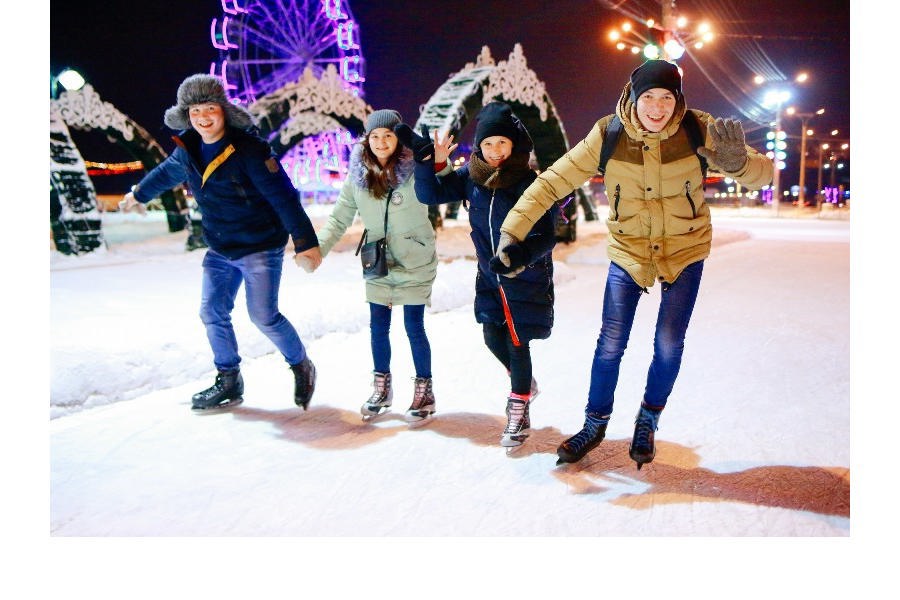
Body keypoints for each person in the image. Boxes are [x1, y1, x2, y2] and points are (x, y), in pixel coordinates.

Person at [494, 60, 774, 468]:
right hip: (629, 251)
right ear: (633, 96)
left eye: (666, 98)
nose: (657, 108)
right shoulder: (608, 133)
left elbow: (763, 176)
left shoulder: (698, 128)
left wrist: (738, 164)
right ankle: (594, 423)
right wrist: (512, 231)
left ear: (676, 99)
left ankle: (648, 419)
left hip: (685, 250)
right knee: (610, 343)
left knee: (668, 343)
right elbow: (553, 181)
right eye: (649, 98)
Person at [118, 73, 322, 412]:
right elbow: (167, 172)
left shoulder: (250, 150)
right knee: (212, 311)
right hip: (221, 246)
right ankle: (229, 381)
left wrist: (305, 243)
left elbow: (284, 197)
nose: (202, 117)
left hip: (259, 245)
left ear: (224, 110)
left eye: (209, 108)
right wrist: (138, 193)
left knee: (263, 316)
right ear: (187, 115)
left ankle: (301, 364)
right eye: (195, 111)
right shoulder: (188, 148)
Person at [401, 101, 558, 449]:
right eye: (488, 144)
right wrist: (427, 163)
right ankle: (525, 384)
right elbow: (429, 194)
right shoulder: (472, 178)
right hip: (489, 276)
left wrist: (521, 255)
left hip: (523, 275)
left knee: (518, 342)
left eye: (502, 143)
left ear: (515, 145)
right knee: (491, 337)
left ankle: (518, 407)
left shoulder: (530, 183)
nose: (495, 151)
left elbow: (547, 235)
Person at [311, 109, 439, 424]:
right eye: (375, 136)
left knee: (413, 327)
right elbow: (340, 217)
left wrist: (434, 159)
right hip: (377, 257)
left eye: (388, 135)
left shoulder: (414, 171)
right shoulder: (358, 177)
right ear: (367, 140)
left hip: (414, 256)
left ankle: (425, 392)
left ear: (399, 139)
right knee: (378, 326)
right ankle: (382, 388)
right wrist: (317, 249)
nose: (381, 142)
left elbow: (439, 180)